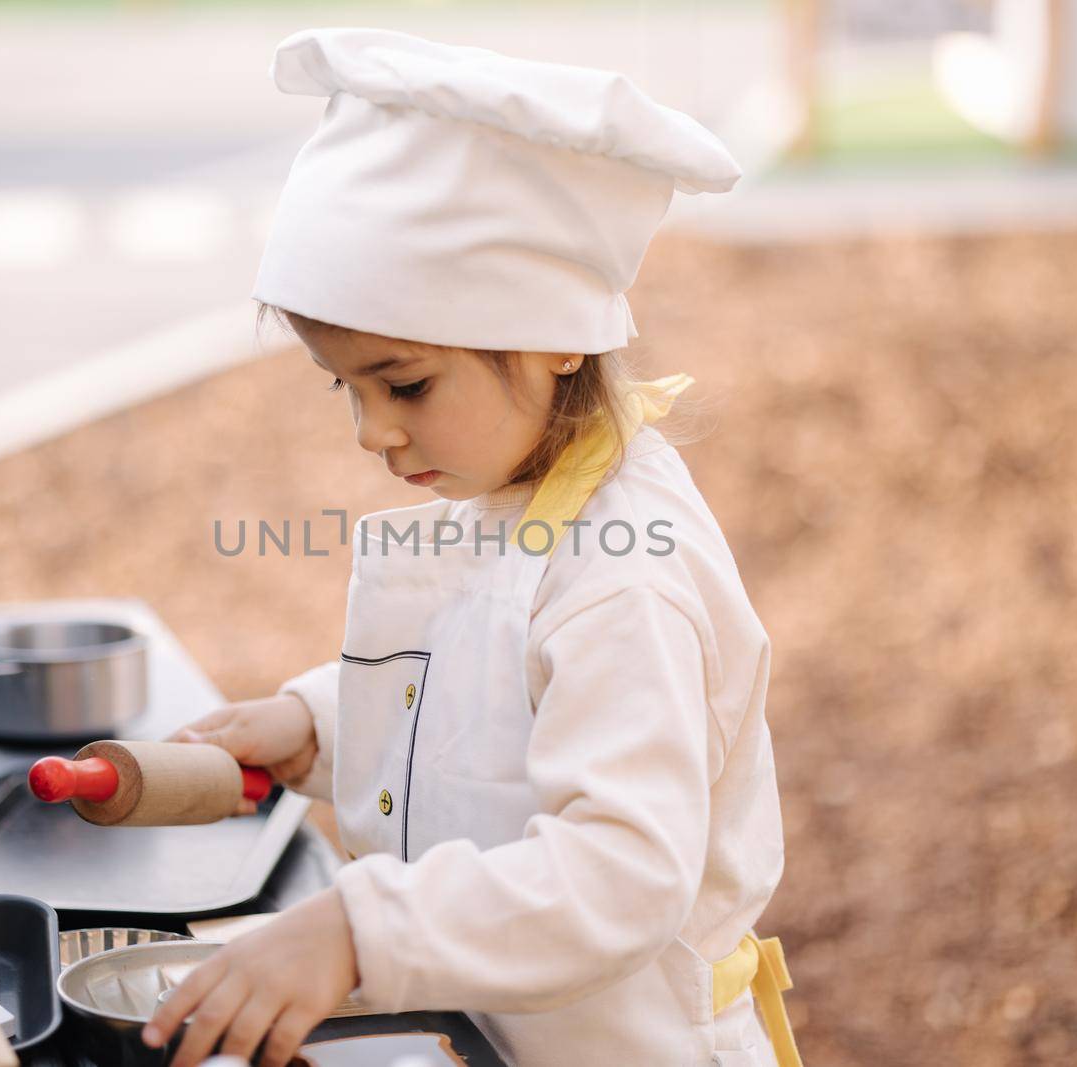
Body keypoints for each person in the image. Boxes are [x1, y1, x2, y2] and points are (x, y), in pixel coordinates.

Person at [143, 27, 800, 1067]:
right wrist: (315, 722)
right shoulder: (508, 488)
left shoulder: (624, 575)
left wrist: (358, 929)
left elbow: (620, 873)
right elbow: (481, 696)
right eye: (343, 386)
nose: (371, 432)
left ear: (553, 337)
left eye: (402, 384)